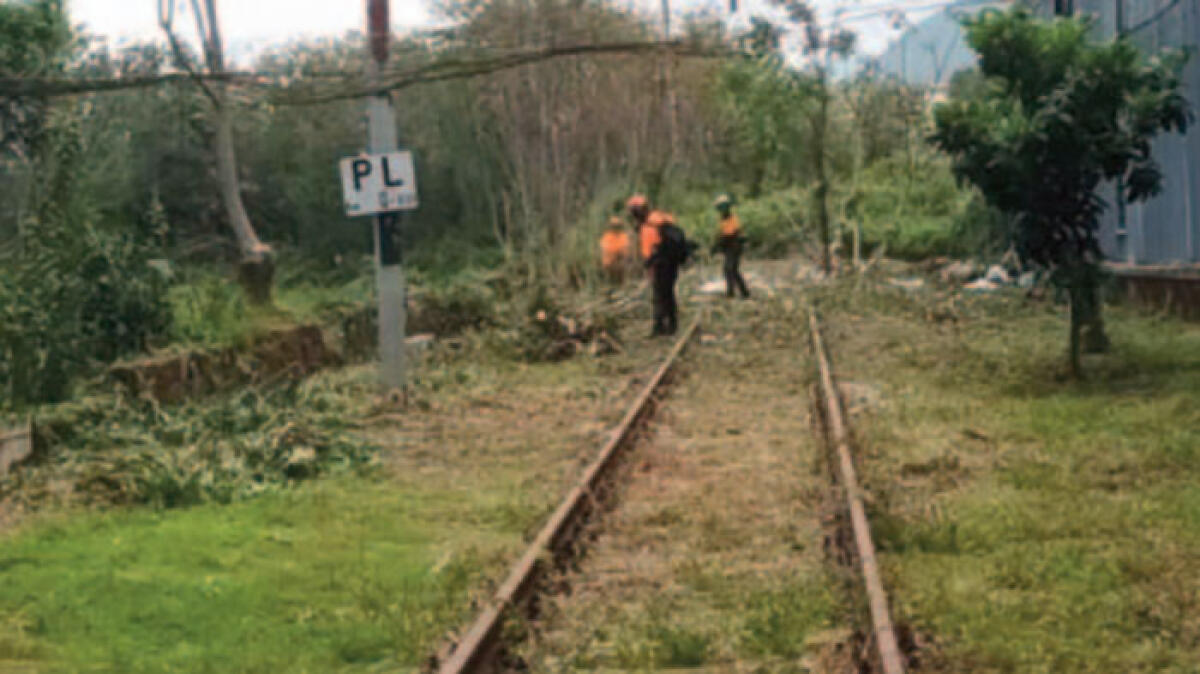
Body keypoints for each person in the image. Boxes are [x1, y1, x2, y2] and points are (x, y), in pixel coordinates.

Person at [628, 195, 688, 336]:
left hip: (661, 264)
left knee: (660, 295)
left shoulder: (649, 224)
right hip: (670, 263)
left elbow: (651, 249)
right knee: (667, 294)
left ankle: (661, 327)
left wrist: (649, 264)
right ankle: (669, 325)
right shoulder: (661, 218)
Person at [713, 194, 750, 299]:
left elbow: (731, 234)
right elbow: (722, 233)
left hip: (735, 246)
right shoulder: (723, 219)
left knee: (731, 269)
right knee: (729, 269)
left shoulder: (732, 218)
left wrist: (719, 244)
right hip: (729, 247)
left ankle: (742, 292)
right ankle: (734, 292)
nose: (722, 210)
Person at [599, 205, 633, 283]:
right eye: (614, 226)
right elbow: (605, 249)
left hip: (618, 263)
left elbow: (625, 249)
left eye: (617, 226)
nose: (615, 228)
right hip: (611, 263)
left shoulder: (622, 236)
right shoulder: (607, 236)